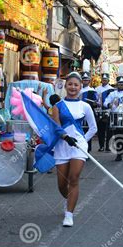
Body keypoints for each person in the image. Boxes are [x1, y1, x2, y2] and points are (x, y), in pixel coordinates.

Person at [51, 72, 97, 227]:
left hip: (78, 147)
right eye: (70, 84)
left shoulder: (85, 106)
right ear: (65, 86)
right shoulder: (57, 106)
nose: (73, 87)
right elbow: (56, 127)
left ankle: (69, 214)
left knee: (74, 178)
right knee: (61, 184)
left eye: (76, 85)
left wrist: (83, 141)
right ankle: (69, 200)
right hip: (62, 145)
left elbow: (93, 128)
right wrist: (65, 137)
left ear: (80, 87)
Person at [95, 73, 114, 152]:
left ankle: (108, 146)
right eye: (103, 80)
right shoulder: (97, 89)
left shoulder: (112, 89)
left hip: (109, 111)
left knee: (109, 130)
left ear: (108, 80)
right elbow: (95, 99)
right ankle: (101, 146)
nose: (104, 81)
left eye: (106, 80)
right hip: (100, 111)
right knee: (100, 130)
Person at [80, 72, 98, 152]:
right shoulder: (78, 90)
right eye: (83, 80)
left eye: (86, 80)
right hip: (79, 113)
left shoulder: (92, 91)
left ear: (89, 81)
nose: (85, 81)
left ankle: (88, 149)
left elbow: (96, 102)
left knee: (89, 130)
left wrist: (95, 103)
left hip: (88, 113)